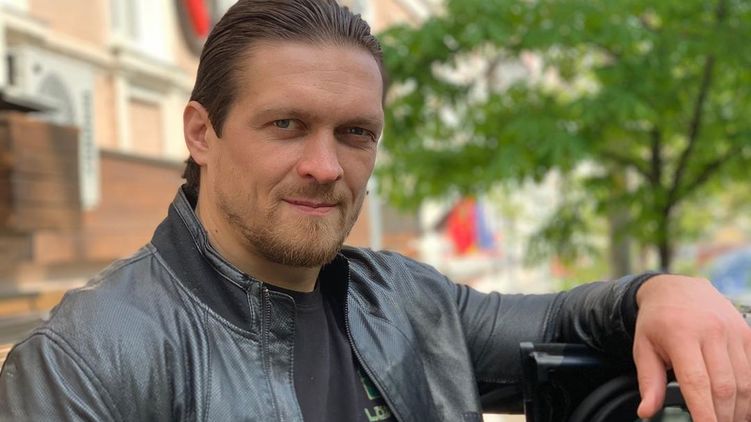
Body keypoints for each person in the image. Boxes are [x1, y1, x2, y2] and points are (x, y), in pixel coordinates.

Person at [1, 1, 750, 421]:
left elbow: (564, 322)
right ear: (202, 132)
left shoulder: (406, 300)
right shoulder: (88, 357)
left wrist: (660, 292)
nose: (326, 167)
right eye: (286, 124)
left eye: (355, 133)